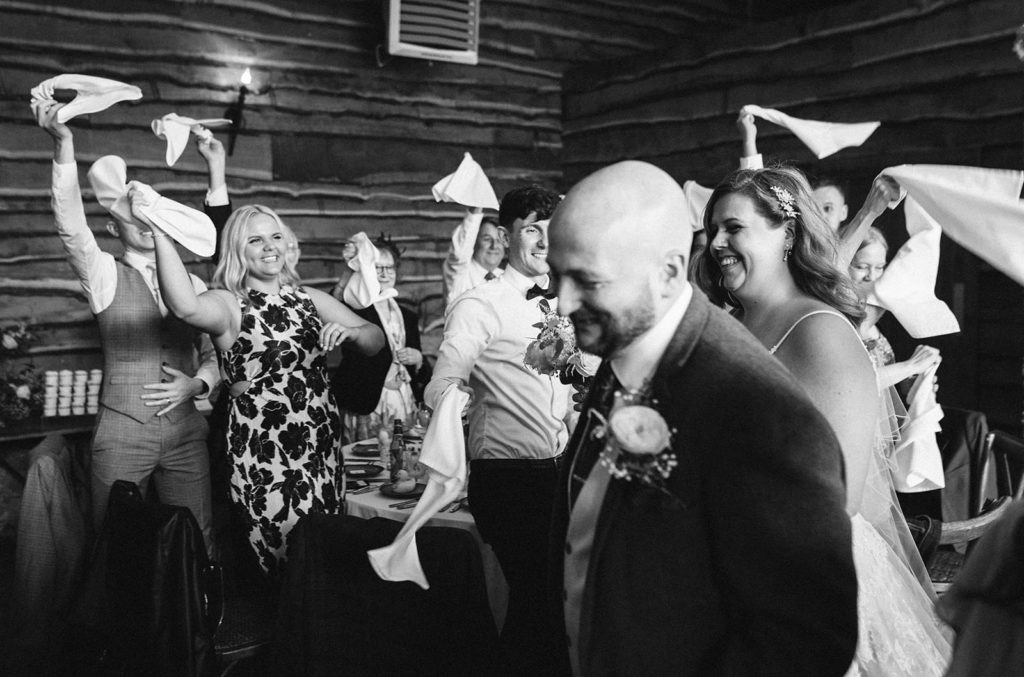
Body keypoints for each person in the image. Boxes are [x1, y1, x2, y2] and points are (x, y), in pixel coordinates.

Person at [547, 160, 857, 676]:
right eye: (556, 276)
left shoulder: (758, 411)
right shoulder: (624, 349)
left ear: (668, 272)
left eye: (587, 280)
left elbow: (806, 640)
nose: (562, 301)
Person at [694, 165, 951, 676]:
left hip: (800, 576)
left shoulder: (821, 332)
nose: (717, 241)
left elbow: (843, 494)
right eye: (713, 228)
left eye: (733, 227)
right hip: (725, 563)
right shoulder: (731, 323)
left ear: (787, 233)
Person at [146, 203, 384, 577]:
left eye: (275, 237)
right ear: (238, 249)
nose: (269, 247)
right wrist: (160, 232)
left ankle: (320, 627)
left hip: (320, 448)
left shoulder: (309, 299)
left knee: (325, 548)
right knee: (282, 557)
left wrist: (353, 333)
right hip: (264, 454)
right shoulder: (228, 302)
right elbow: (185, 307)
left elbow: (375, 340)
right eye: (255, 240)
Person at [35, 100, 219, 552]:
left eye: (146, 211)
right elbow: (71, 228)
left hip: (186, 431)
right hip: (122, 432)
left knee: (197, 537)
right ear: (113, 228)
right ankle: (117, 624)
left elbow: (216, 351)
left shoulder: (191, 280)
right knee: (113, 541)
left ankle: (197, 622)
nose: (140, 221)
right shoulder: (104, 274)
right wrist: (64, 147)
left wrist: (198, 384)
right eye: (128, 216)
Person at [424, 185, 572, 675]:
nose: (544, 242)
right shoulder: (479, 304)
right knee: (538, 599)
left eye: (553, 230)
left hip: (563, 473)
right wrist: (453, 398)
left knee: (553, 602)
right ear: (507, 235)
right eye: (533, 229)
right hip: (510, 478)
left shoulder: (568, 302)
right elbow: (443, 380)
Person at [736, 110, 899, 267]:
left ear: (843, 212)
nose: (820, 215)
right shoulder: (792, 250)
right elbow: (755, 194)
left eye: (828, 208)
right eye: (812, 208)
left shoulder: (863, 246)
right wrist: (749, 141)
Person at [331, 236, 431, 444]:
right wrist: (349, 270)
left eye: (390, 268)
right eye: (378, 268)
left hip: (403, 402)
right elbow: (331, 306)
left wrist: (419, 359)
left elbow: (419, 367)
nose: (385, 274)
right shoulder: (356, 308)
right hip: (367, 401)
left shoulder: (407, 315)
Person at [849, 227, 941, 388]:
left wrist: (911, 383)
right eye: (862, 266)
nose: (872, 276)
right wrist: (911, 366)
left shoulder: (875, 313)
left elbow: (883, 382)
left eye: (879, 267)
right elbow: (853, 384)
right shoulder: (833, 317)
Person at [442, 208, 506, 305]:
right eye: (487, 239)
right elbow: (460, 253)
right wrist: (475, 210)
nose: (494, 246)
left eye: (498, 240)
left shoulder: (506, 278)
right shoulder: (459, 273)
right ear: (474, 242)